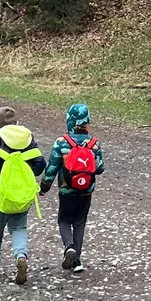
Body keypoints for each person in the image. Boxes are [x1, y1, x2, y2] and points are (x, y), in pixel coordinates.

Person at [0, 106, 45, 284]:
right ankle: (21, 255)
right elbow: (39, 165)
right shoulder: (28, 138)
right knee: (18, 227)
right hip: (22, 191)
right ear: (17, 122)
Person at [40, 102, 104, 272]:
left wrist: (44, 187)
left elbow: (51, 168)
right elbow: (99, 169)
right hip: (86, 191)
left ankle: (69, 248)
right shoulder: (94, 143)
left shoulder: (62, 142)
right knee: (80, 222)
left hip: (66, 190)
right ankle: (77, 261)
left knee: (64, 220)